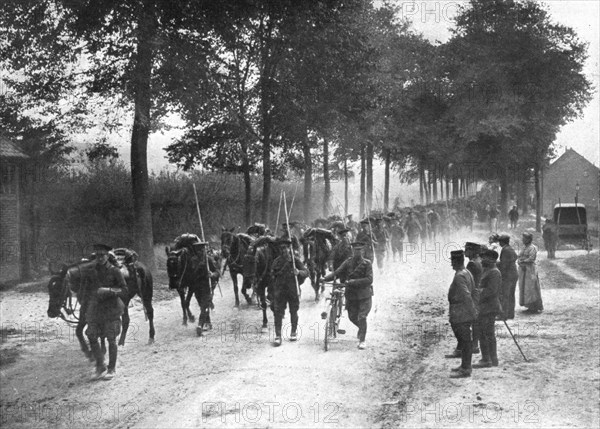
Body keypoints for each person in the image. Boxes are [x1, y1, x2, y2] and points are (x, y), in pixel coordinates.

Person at [84, 243, 128, 380]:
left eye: (102, 255)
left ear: (108, 256)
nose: (100, 257)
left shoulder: (115, 271)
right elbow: (87, 289)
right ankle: (100, 365)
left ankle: (112, 368)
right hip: (96, 309)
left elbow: (124, 290)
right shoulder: (91, 271)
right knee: (91, 335)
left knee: (111, 338)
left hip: (111, 309)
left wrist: (108, 290)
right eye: (97, 255)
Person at [321, 241, 373, 350]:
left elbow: (369, 279)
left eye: (359, 250)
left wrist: (353, 282)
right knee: (352, 317)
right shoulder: (348, 262)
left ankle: (362, 340)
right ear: (352, 251)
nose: (357, 252)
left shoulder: (367, 263)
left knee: (362, 317)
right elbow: (337, 273)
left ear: (363, 251)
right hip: (352, 295)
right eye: (355, 250)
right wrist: (325, 278)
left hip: (364, 295)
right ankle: (362, 329)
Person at [270, 238, 309, 346]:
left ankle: (293, 332)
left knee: (293, 311)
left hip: (292, 290)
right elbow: (271, 276)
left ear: (289, 248)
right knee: (278, 313)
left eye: (286, 248)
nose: (284, 250)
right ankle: (278, 335)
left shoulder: (295, 260)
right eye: (282, 248)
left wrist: (299, 272)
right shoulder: (276, 261)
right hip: (280, 291)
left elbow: (306, 272)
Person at [447, 249, 477, 378]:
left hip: (461, 311)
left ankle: (466, 369)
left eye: (452, 261)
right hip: (463, 310)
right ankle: (464, 366)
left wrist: (472, 311)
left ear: (456, 261)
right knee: (465, 340)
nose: (451, 264)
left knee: (465, 340)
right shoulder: (467, 272)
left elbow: (466, 295)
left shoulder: (459, 275)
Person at [473, 249, 502, 368]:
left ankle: (489, 359)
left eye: (484, 258)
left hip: (489, 307)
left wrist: (477, 292)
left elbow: (491, 291)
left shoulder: (494, 272)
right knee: (483, 332)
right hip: (484, 306)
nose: (482, 260)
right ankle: (489, 358)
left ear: (491, 259)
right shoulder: (488, 270)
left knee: (487, 333)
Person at [191, 242, 220, 333]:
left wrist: (212, 274)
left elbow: (217, 272)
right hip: (197, 286)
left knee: (204, 306)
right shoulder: (193, 260)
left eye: (202, 250)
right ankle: (208, 322)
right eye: (198, 250)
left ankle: (200, 325)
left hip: (207, 286)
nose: (200, 252)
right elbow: (191, 273)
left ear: (204, 250)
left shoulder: (209, 260)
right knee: (202, 305)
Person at [518, 232, 544, 313]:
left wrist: (523, 261)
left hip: (530, 269)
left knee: (531, 287)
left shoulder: (533, 248)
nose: (523, 240)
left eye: (524, 239)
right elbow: (519, 256)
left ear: (529, 239)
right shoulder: (524, 247)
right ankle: (528, 305)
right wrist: (519, 261)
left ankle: (534, 306)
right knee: (524, 287)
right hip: (523, 269)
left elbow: (532, 258)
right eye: (522, 239)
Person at [465, 242, 483, 355]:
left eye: (467, 249)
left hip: (473, 293)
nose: (465, 252)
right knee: (477, 320)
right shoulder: (480, 260)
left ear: (472, 251)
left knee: (473, 320)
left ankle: (474, 344)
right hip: (479, 293)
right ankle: (475, 343)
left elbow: (469, 282)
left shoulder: (471, 264)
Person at [497, 234, 518, 319]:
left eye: (500, 242)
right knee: (511, 295)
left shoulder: (505, 250)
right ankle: (510, 314)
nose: (499, 243)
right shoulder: (511, 248)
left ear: (502, 242)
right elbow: (515, 257)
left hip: (507, 275)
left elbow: (504, 265)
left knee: (505, 295)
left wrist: (497, 265)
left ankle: (504, 315)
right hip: (514, 274)